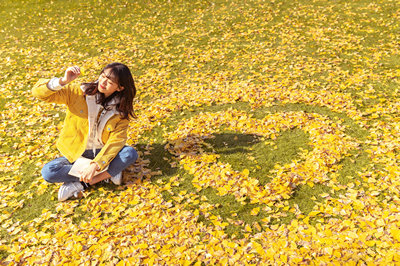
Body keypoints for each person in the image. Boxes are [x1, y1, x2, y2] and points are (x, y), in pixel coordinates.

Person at [32, 63, 138, 201]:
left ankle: (83, 183)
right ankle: (110, 172)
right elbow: (38, 93)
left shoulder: (121, 110)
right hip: (78, 153)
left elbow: (116, 141)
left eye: (110, 82)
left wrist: (96, 165)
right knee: (48, 172)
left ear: (120, 87)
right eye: (103, 76)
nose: (103, 82)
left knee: (129, 153)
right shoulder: (78, 92)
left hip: (102, 151)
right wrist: (62, 81)